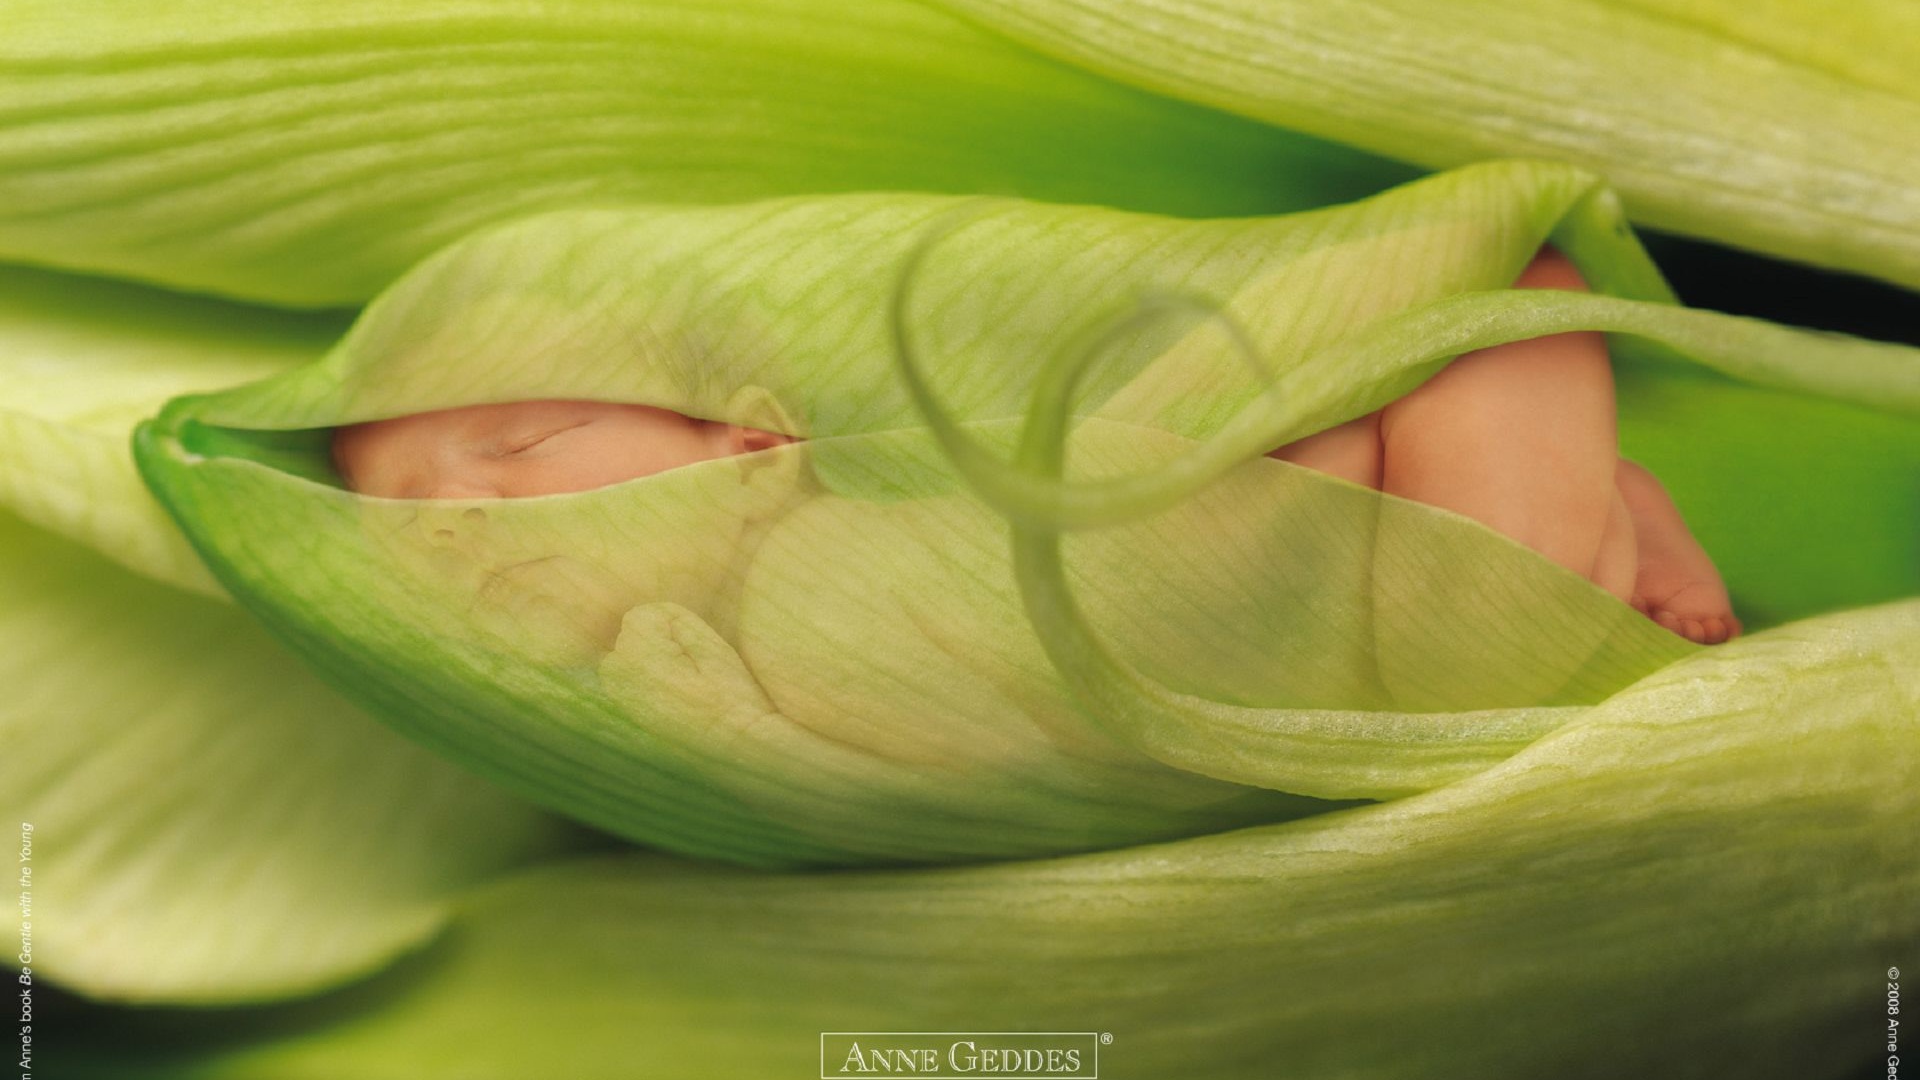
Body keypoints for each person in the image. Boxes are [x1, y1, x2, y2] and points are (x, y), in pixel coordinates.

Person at [331, 251, 1739, 644]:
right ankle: (1617, 513)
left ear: (752, 438)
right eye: (404, 522)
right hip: (1346, 555)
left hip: (1343, 483)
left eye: (516, 443)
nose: (459, 507)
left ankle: (1547, 423)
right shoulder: (699, 658)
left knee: (1486, 595)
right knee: (1483, 602)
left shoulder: (839, 478)